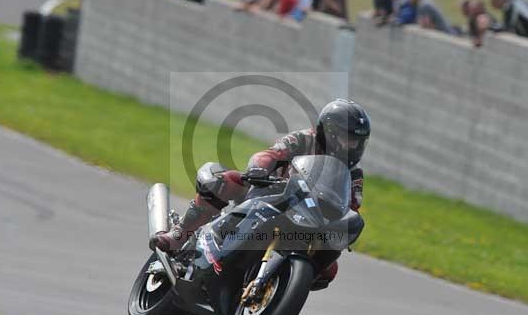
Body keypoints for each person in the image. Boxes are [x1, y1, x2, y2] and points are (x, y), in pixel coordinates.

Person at [149, 99, 371, 290]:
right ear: (329, 131)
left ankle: (282, 284)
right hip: (271, 193)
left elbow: (350, 208)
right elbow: (271, 154)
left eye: (357, 141)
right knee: (222, 180)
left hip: (311, 218)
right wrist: (259, 168)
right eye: (347, 138)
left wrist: (345, 227)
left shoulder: (354, 174)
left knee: (329, 270)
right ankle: (180, 235)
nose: (351, 145)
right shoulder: (304, 140)